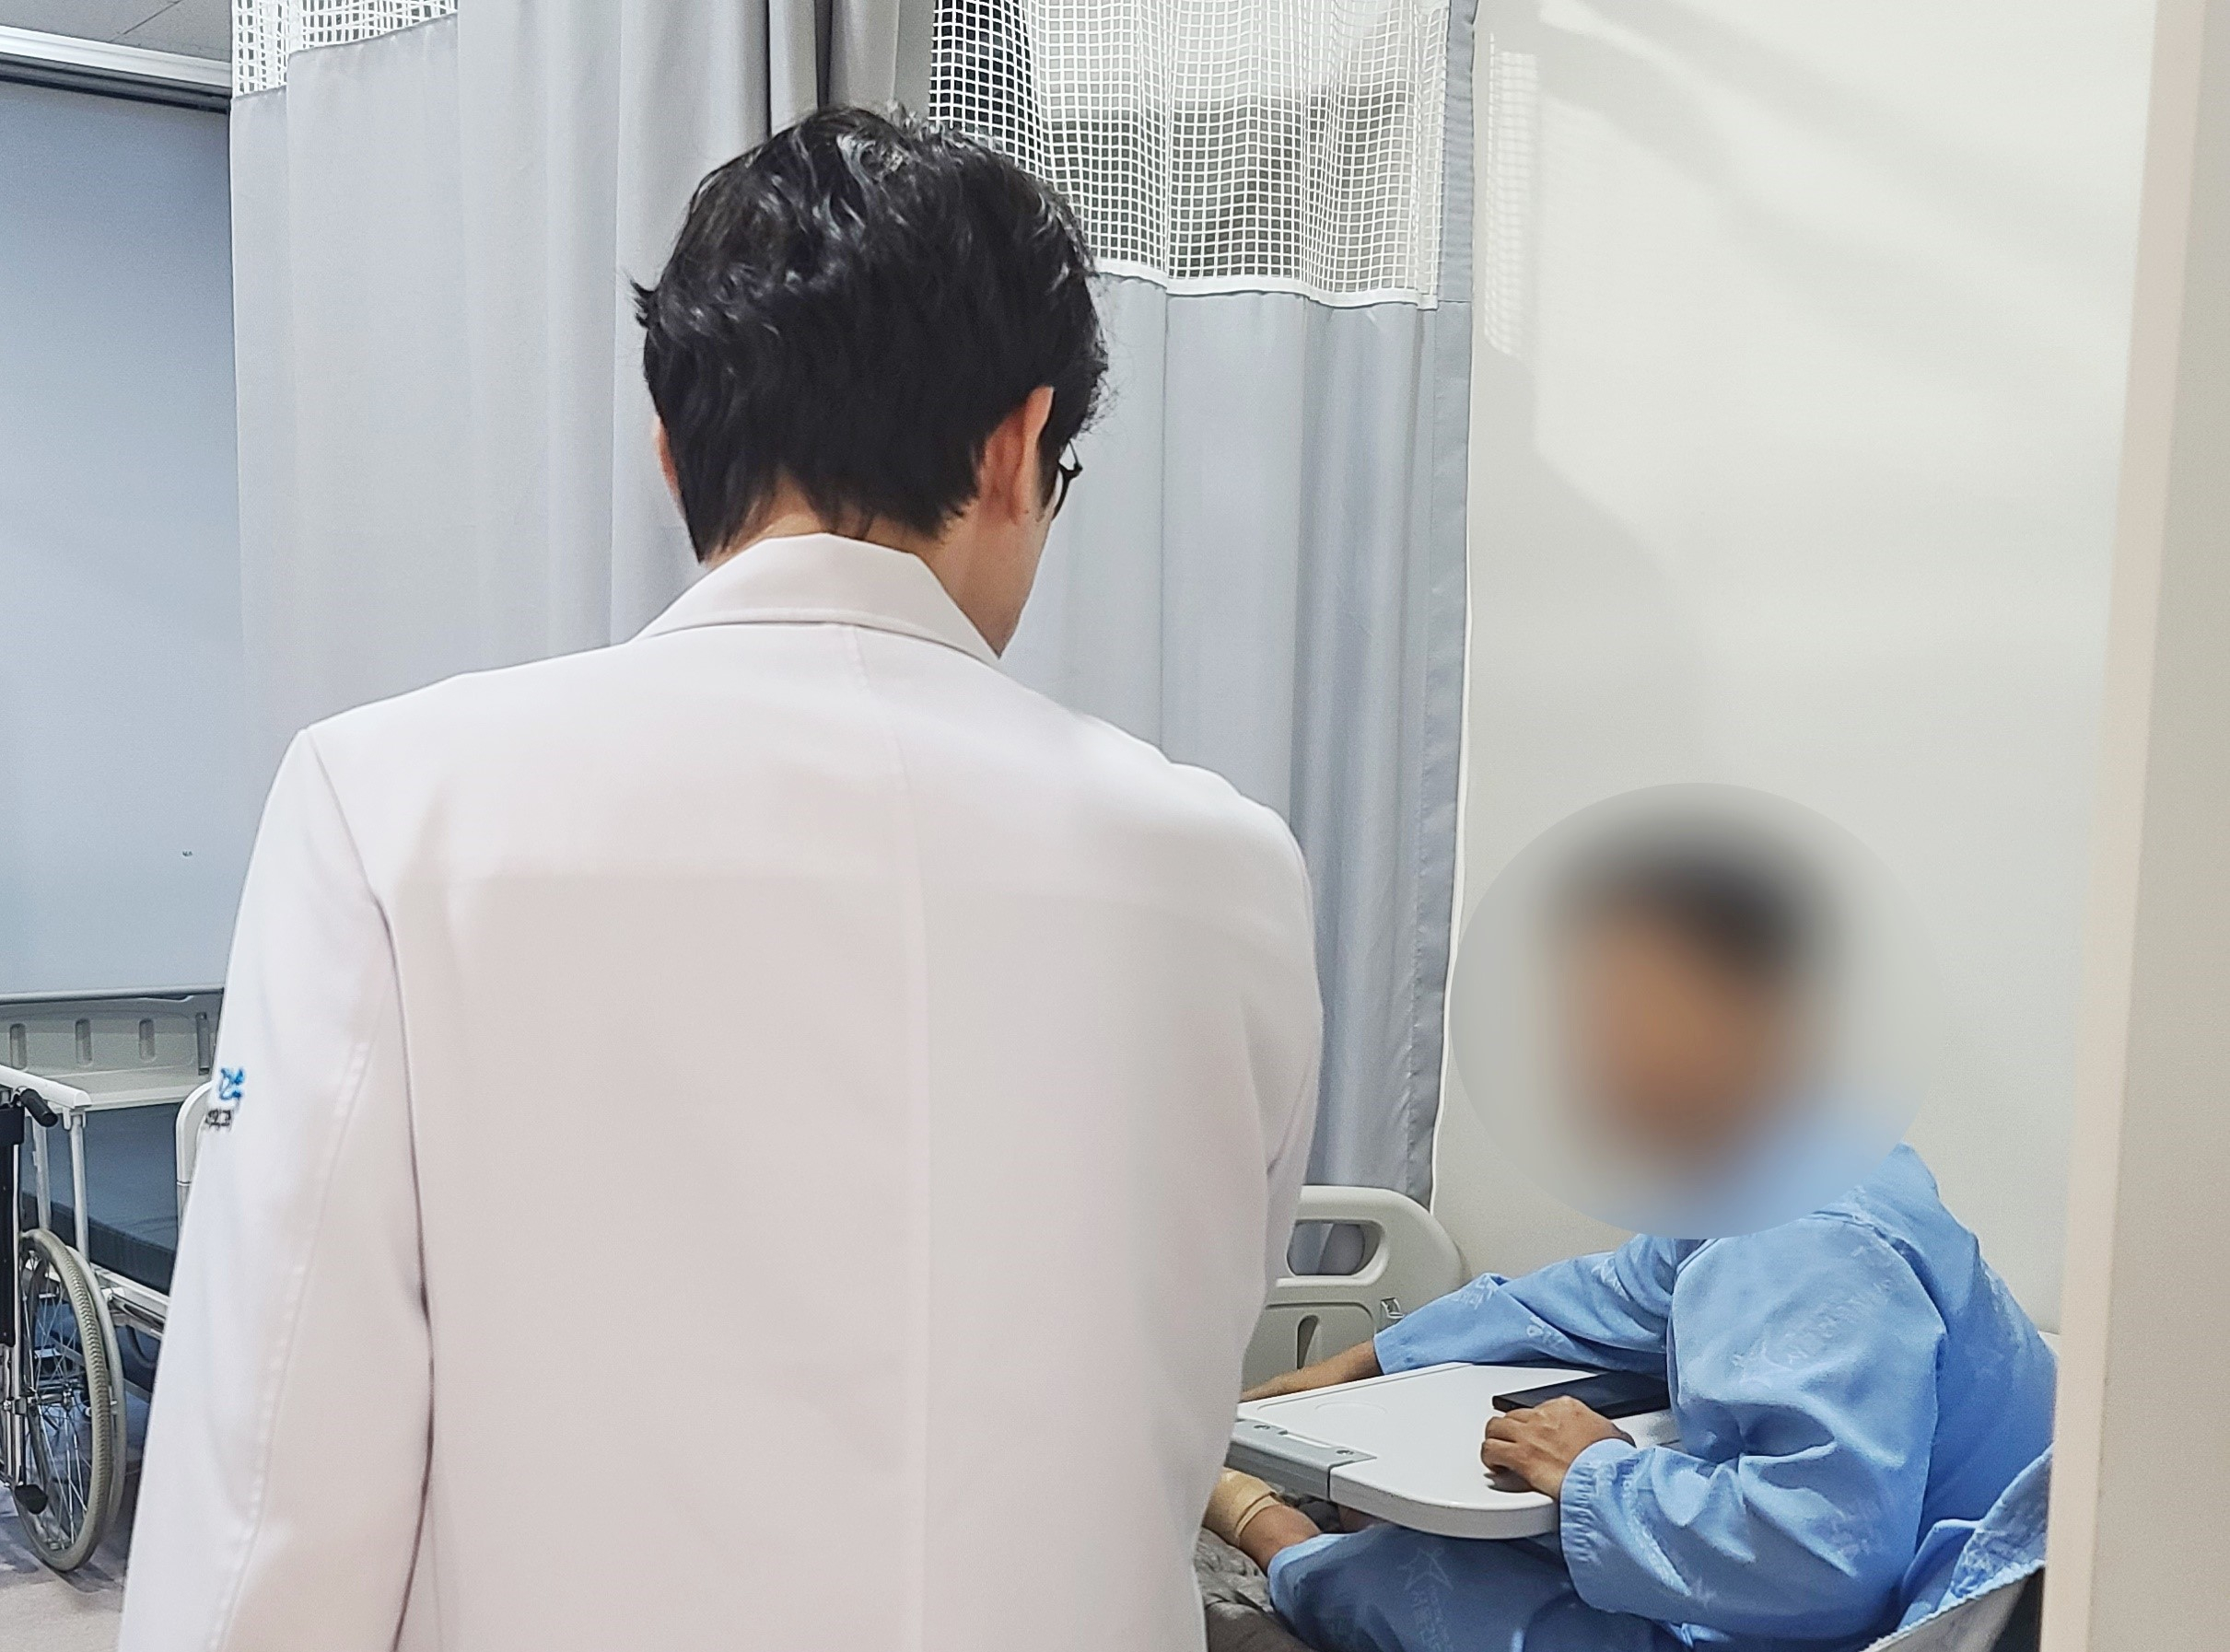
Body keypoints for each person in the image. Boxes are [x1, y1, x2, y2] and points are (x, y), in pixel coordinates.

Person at [121, 109, 1321, 1652]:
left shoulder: (394, 804)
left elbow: (272, 1485)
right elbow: (1192, 1343)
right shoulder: (1230, 871)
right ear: (1018, 447)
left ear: (672, 449)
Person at [1205, 849, 2054, 1652]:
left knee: (1401, 1583)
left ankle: (1271, 1531)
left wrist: (1590, 1471)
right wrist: (1366, 1361)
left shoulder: (1802, 1241)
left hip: (1888, 1623)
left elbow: (1822, 1567)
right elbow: (1595, 1299)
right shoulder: (1803, 1167)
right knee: (1464, 1535)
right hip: (1879, 1575)